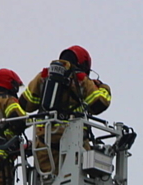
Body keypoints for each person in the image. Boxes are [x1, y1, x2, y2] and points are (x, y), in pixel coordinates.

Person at [19, 46, 111, 174]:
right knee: (75, 179)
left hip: (43, 142)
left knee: (47, 182)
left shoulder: (43, 75)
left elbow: (25, 104)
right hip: (72, 140)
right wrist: (103, 87)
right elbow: (100, 104)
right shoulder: (80, 78)